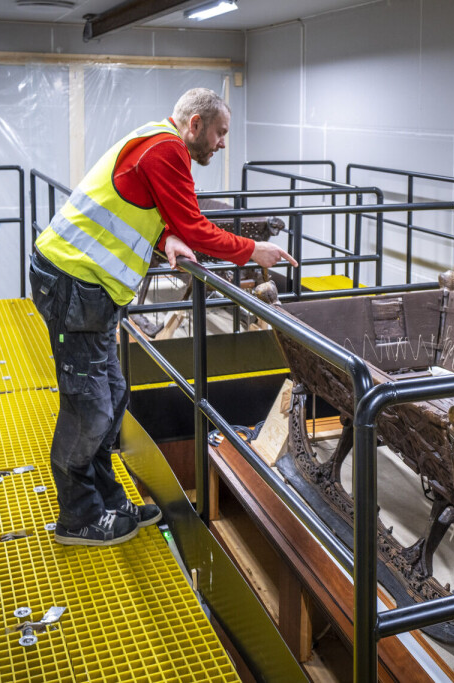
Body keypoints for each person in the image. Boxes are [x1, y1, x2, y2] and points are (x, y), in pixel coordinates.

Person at [29, 88, 297, 546]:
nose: (223, 143)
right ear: (195, 124)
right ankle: (77, 517)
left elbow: (146, 208)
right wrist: (254, 250)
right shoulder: (166, 149)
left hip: (93, 290)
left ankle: (106, 500)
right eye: (220, 132)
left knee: (112, 398)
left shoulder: (160, 142)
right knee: (88, 407)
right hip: (72, 284)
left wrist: (164, 238)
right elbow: (195, 226)